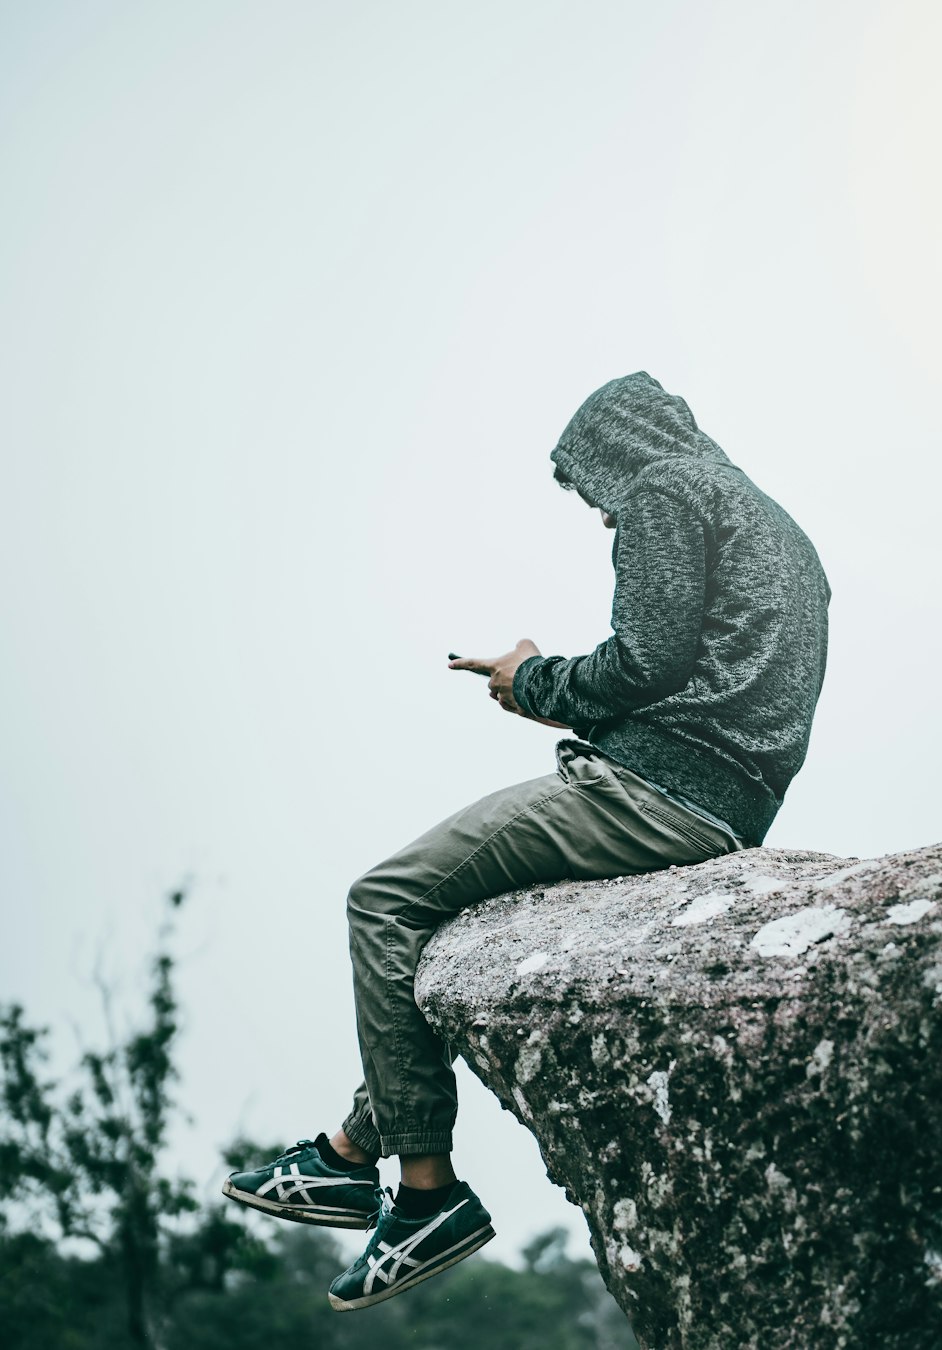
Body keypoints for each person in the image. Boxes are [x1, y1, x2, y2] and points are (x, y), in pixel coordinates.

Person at [222, 371, 831, 1311]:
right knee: (469, 920)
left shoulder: (668, 488)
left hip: (653, 792)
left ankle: (425, 1196)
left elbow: (645, 663)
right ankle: (350, 1150)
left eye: (592, 491)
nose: (601, 517)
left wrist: (530, 679)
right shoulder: (783, 530)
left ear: (617, 450)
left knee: (384, 899)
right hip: (731, 813)